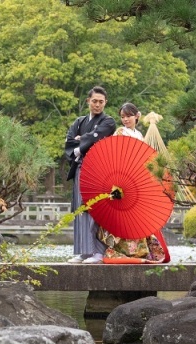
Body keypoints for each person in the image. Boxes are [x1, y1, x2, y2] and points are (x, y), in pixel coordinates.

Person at [97, 102, 169, 264]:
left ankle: (140, 250)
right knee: (122, 214)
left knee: (136, 214)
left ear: (137, 116)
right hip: (121, 178)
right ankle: (120, 249)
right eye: (122, 117)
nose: (125, 120)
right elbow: (116, 156)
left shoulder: (140, 135)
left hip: (136, 180)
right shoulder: (120, 132)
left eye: (128, 116)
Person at [64, 86, 116, 264]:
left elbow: (97, 135)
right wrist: (81, 143)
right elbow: (69, 139)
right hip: (80, 168)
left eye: (101, 102)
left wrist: (81, 142)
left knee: (96, 208)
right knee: (81, 209)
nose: (97, 105)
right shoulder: (79, 121)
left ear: (105, 103)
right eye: (94, 101)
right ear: (88, 101)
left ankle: (99, 252)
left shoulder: (108, 121)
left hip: (98, 170)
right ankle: (83, 251)